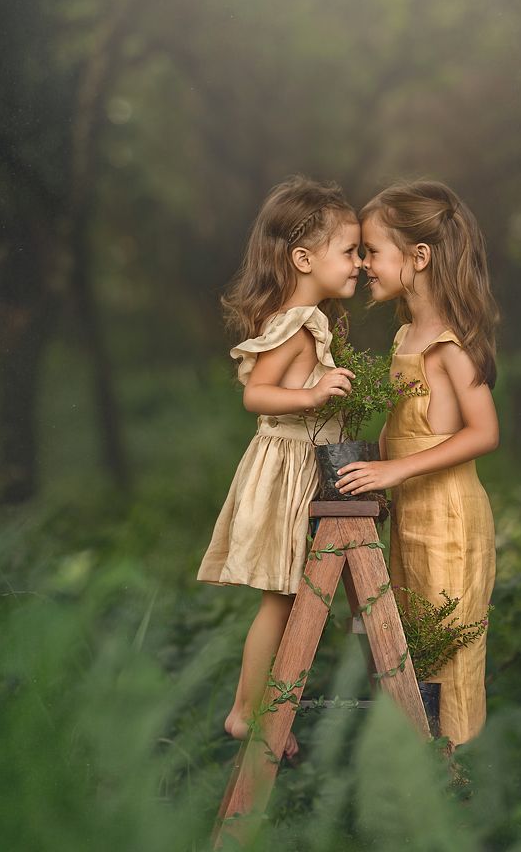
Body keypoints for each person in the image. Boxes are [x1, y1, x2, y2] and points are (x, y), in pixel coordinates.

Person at [198, 175, 361, 756]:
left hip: (303, 463)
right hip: (284, 465)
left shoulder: (310, 319)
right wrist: (314, 397)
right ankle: (247, 711)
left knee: (295, 595)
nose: (360, 263)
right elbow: (258, 396)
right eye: (349, 251)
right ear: (303, 258)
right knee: (280, 595)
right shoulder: (295, 324)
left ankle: (267, 709)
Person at [335, 180, 500, 746]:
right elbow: (402, 427)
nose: (364, 265)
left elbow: (484, 431)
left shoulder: (451, 343)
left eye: (372, 251)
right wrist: (376, 469)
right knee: (405, 648)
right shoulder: (408, 334)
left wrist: (393, 472)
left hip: (449, 523)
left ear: (419, 257)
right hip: (410, 516)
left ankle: (460, 784)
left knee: (447, 658)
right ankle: (419, 785)